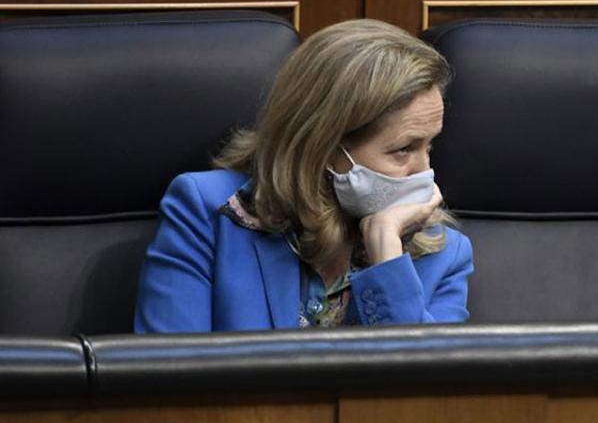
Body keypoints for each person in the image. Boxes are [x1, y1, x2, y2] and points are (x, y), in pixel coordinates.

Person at [135, 19, 472, 332]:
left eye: (429, 146)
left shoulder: (445, 255)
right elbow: (166, 379)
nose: (424, 170)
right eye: (404, 149)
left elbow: (420, 389)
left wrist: (386, 252)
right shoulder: (208, 212)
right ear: (323, 146)